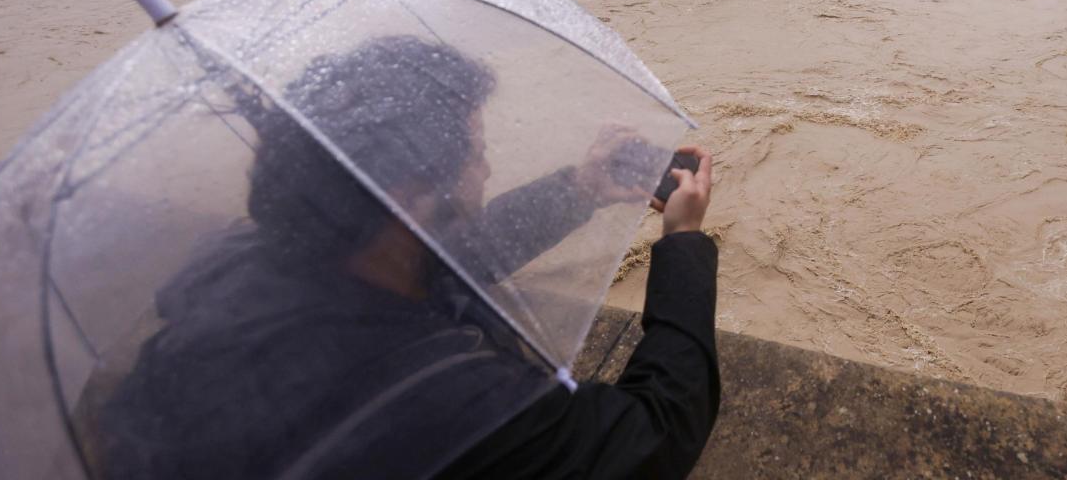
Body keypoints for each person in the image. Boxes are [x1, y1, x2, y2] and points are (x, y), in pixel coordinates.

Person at [96, 36, 719, 480]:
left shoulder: (233, 267)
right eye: (474, 153)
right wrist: (684, 244)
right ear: (403, 196)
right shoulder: (445, 399)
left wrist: (577, 189)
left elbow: (439, 254)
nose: (487, 167)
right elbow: (656, 433)